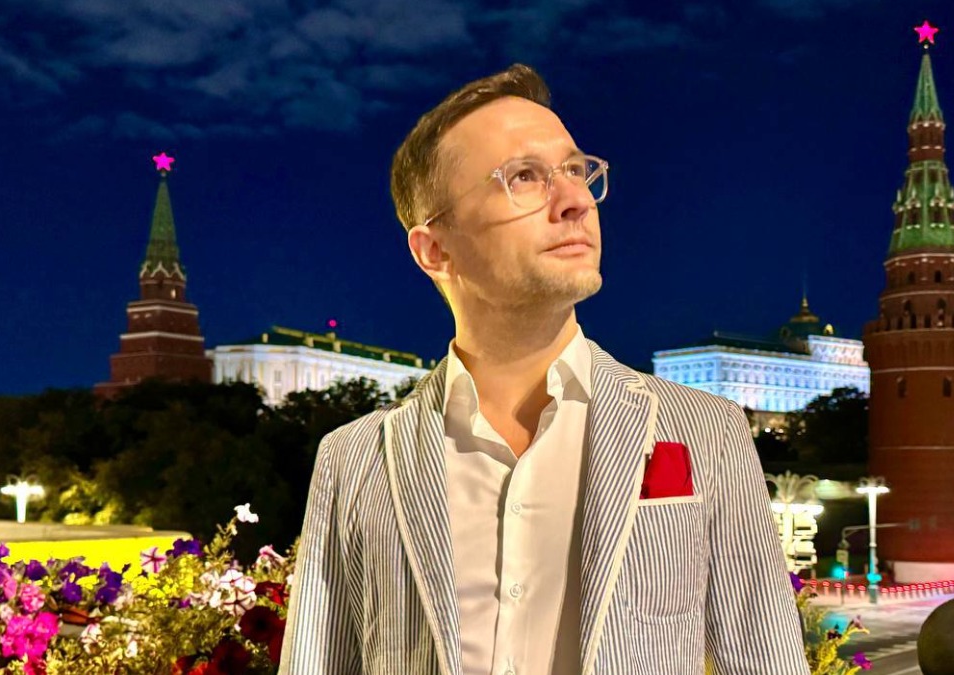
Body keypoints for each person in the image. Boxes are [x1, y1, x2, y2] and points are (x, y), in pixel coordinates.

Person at [280, 64, 809, 675]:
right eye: (524, 177)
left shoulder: (706, 431)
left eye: (577, 171)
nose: (576, 201)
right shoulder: (354, 461)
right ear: (436, 250)